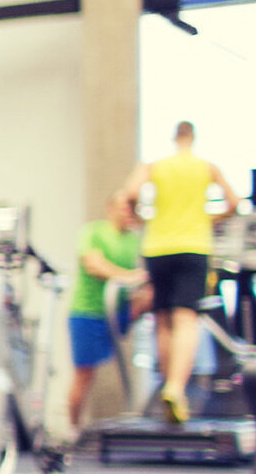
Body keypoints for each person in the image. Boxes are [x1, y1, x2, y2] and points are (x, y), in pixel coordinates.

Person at [116, 121, 241, 423]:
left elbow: (128, 195)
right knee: (186, 318)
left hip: (158, 247)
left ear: (174, 139)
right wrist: (211, 219)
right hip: (193, 245)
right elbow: (233, 202)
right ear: (192, 138)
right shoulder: (205, 167)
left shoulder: (156, 166)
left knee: (163, 319)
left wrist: (141, 218)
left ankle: (166, 381)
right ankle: (175, 386)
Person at [63, 194, 144, 434]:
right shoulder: (94, 232)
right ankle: (73, 432)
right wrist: (129, 277)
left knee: (150, 297)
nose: (127, 212)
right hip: (88, 312)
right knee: (85, 375)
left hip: (117, 312)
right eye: (122, 207)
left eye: (131, 209)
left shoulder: (133, 240)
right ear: (110, 209)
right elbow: (94, 265)